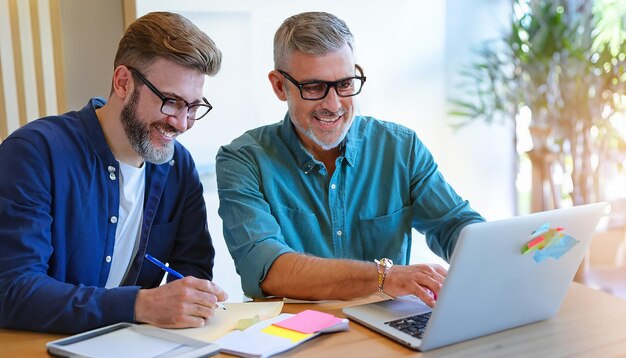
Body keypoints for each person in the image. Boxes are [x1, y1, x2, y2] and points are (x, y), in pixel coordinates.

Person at [216, 11, 485, 305]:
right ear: (280, 86)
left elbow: (454, 225)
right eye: (315, 88)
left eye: (345, 84)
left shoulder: (400, 147)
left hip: (388, 330)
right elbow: (267, 268)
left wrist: (501, 249)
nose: (333, 105)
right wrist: (385, 277)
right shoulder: (243, 160)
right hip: (291, 337)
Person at [0, 12, 227, 334]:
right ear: (123, 82)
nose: (181, 123)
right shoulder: (34, 152)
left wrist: (195, 300)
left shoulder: (178, 166)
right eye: (171, 102)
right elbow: (12, 292)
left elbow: (192, 275)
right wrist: (141, 305)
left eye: (193, 107)